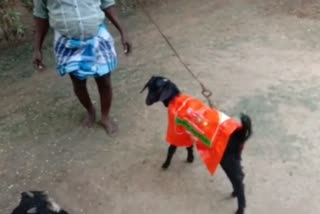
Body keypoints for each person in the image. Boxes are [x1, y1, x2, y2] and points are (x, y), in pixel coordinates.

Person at [33, 0, 132, 136]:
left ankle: (105, 116)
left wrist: (123, 31)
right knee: (78, 82)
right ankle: (90, 110)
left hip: (97, 37)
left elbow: (107, 4)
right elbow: (41, 16)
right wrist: (37, 48)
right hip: (67, 44)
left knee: (105, 81)